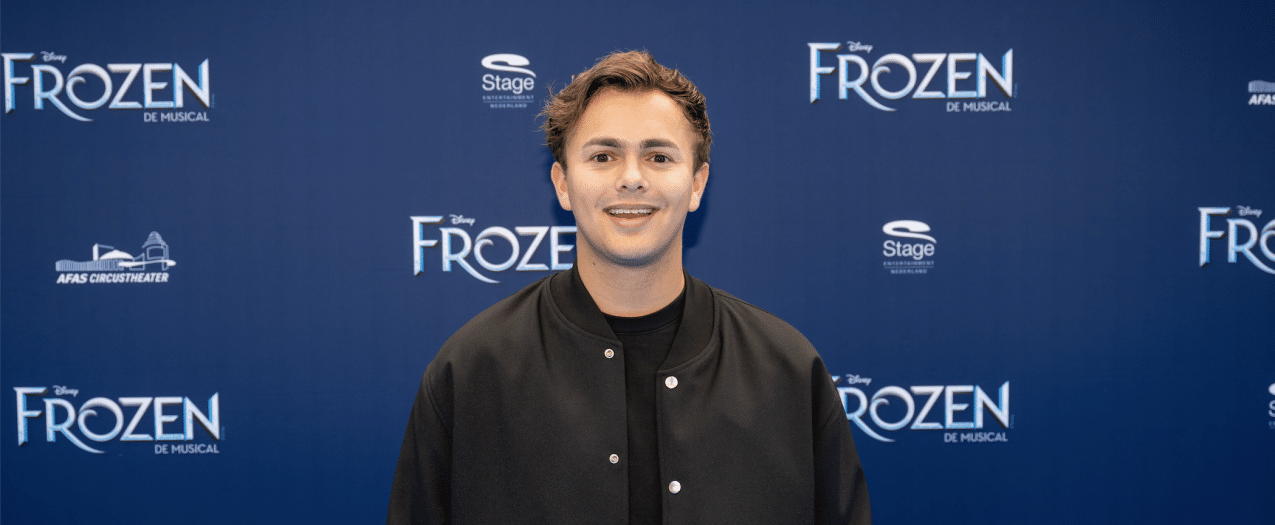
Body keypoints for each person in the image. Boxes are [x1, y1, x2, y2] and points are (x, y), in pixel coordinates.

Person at [388, 50, 870, 524]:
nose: (632, 178)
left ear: (697, 183)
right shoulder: (472, 370)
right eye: (603, 156)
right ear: (562, 183)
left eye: (659, 156)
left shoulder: (787, 369)